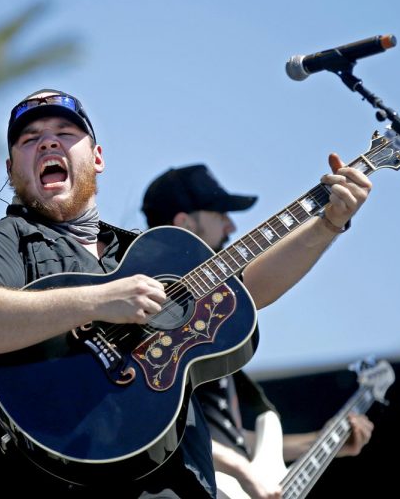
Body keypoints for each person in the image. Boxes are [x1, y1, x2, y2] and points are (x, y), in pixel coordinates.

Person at [0, 89, 372, 498]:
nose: (48, 144)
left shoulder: (150, 251)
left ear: (97, 157)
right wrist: (100, 299)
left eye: (65, 134)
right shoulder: (8, 238)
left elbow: (249, 289)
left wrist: (328, 222)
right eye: (30, 139)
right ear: (11, 169)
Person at [141, 165, 375, 499]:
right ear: (183, 223)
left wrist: (320, 443)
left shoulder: (214, 324)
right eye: (220, 213)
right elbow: (153, 427)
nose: (231, 225)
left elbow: (222, 437)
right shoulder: (153, 318)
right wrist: (240, 469)